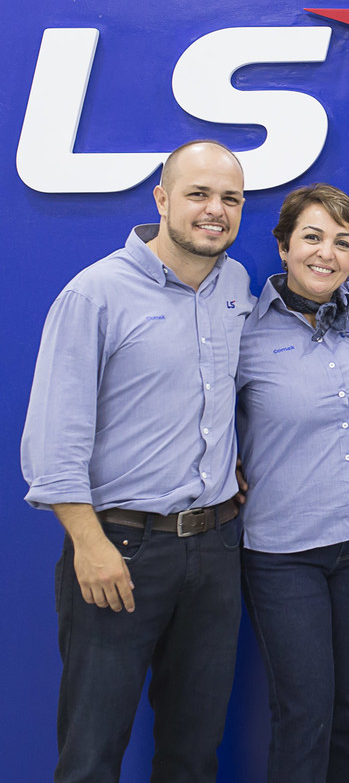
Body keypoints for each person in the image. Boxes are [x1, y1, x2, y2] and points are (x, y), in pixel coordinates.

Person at [21, 140, 250, 782]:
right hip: (120, 548)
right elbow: (54, 440)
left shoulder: (235, 285)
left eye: (230, 198)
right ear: (162, 199)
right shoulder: (95, 294)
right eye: (198, 194)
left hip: (214, 549)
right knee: (92, 753)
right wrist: (88, 543)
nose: (215, 210)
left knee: (193, 751)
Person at [235, 184, 349, 782]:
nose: (326, 253)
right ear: (283, 246)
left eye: (342, 242)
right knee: (304, 714)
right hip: (285, 554)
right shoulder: (241, 329)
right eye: (311, 237)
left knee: (348, 709)